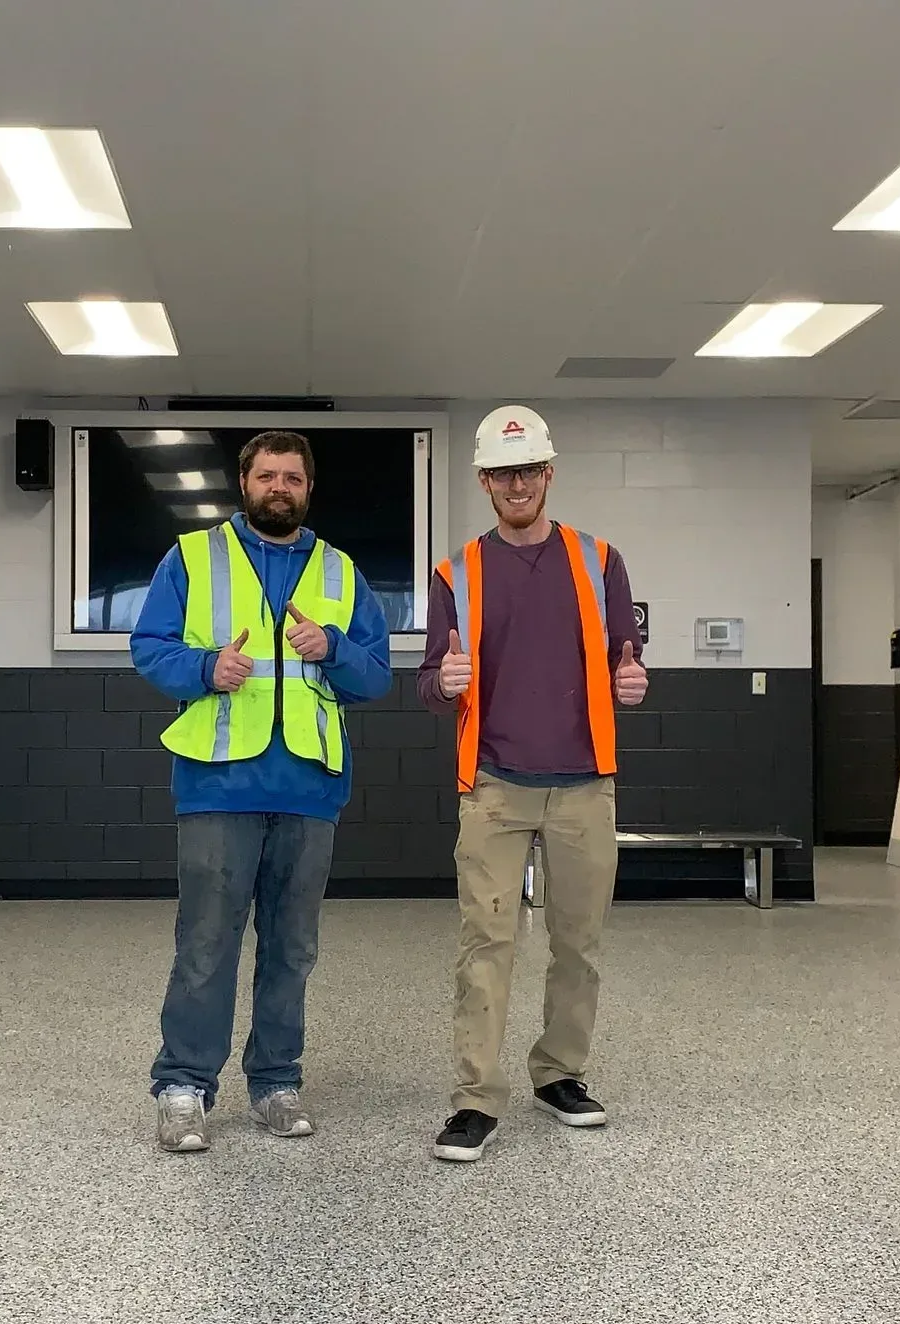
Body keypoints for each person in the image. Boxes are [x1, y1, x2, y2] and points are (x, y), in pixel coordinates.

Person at [131, 430, 392, 1152]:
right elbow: (149, 648)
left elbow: (377, 676)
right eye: (268, 475)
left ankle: (276, 1083)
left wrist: (333, 649)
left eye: (294, 478)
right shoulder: (192, 559)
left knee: (292, 947)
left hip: (309, 787)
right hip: (219, 782)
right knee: (207, 943)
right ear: (243, 483)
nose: (281, 487)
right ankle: (184, 1087)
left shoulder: (341, 573)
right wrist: (206, 667)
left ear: (309, 489)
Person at [417, 406, 649, 1165]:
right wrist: (443, 682)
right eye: (502, 473)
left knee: (578, 943)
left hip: (585, 786)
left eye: (529, 471)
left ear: (549, 474)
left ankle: (560, 1076)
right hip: (494, 786)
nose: (517, 484)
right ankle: (476, 1100)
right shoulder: (455, 573)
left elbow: (626, 659)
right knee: (486, 943)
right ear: (484, 481)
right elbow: (431, 679)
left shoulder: (599, 559)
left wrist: (635, 679)